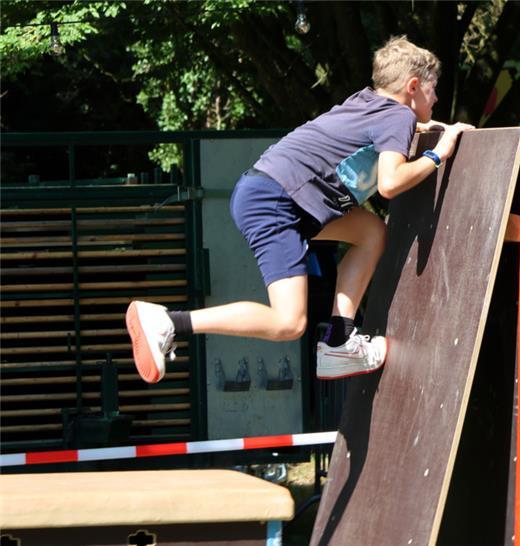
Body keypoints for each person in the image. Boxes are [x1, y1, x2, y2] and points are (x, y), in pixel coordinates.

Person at [125, 36, 473, 384]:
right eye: (433, 89)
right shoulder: (397, 116)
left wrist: (423, 127)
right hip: (277, 201)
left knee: (371, 232)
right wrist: (438, 153)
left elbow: (376, 132)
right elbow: (390, 183)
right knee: (289, 322)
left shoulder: (368, 102)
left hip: (272, 193)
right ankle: (170, 322)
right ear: (412, 86)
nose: (436, 98)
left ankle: (339, 340)